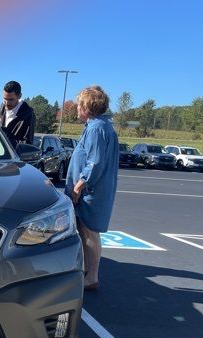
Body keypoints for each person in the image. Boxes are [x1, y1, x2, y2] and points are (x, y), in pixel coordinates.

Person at [65, 85, 119, 291]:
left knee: (89, 232)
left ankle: (92, 276)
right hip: (90, 190)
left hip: (90, 192)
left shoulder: (97, 128)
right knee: (84, 230)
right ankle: (87, 272)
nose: (77, 108)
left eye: (79, 104)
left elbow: (94, 163)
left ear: (88, 107)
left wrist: (78, 186)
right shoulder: (98, 126)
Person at [0, 81, 35, 147]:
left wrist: (7, 138)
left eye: (11, 100)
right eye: (5, 99)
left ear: (19, 96)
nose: (7, 103)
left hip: (15, 156)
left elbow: (27, 144)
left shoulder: (28, 114)